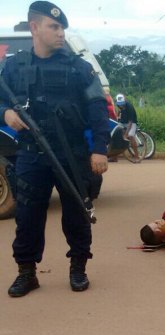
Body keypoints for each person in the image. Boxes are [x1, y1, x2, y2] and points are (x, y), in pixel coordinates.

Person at [0, 1, 110, 297]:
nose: (61, 33)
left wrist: (99, 148)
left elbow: (98, 108)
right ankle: (26, 272)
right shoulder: (14, 66)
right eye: (54, 27)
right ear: (34, 27)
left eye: (62, 28)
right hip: (30, 153)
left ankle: (78, 268)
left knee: (76, 211)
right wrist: (5, 114)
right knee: (27, 215)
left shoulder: (79, 67)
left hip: (71, 152)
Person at [116, 93, 141, 163]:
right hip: (123, 122)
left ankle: (137, 156)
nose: (121, 105)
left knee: (130, 135)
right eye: (119, 104)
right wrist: (117, 117)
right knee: (115, 135)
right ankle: (114, 157)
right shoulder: (119, 105)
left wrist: (126, 134)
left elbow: (130, 121)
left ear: (125, 100)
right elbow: (119, 111)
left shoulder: (129, 106)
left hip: (132, 123)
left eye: (122, 104)